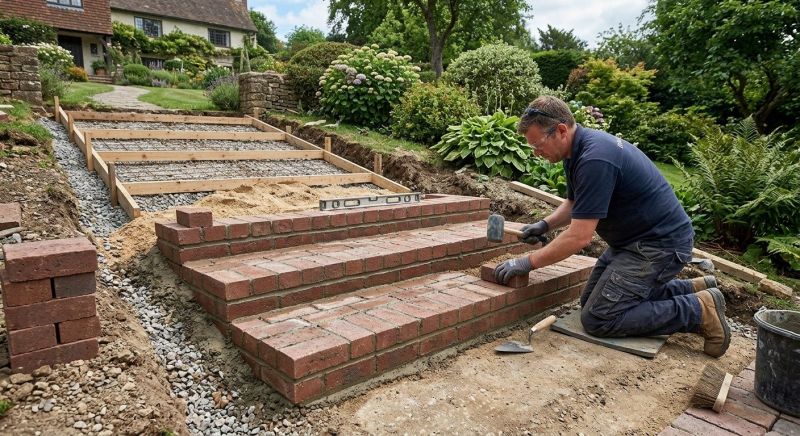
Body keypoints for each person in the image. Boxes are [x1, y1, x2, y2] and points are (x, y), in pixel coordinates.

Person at [493, 96, 730, 358]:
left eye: (538, 144)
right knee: (591, 302)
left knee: (600, 317)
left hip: (659, 246)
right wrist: (544, 225)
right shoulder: (576, 151)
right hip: (634, 243)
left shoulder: (595, 159)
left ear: (561, 130)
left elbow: (579, 237)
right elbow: (575, 203)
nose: (536, 153)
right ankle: (689, 289)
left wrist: (527, 263)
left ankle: (698, 310)